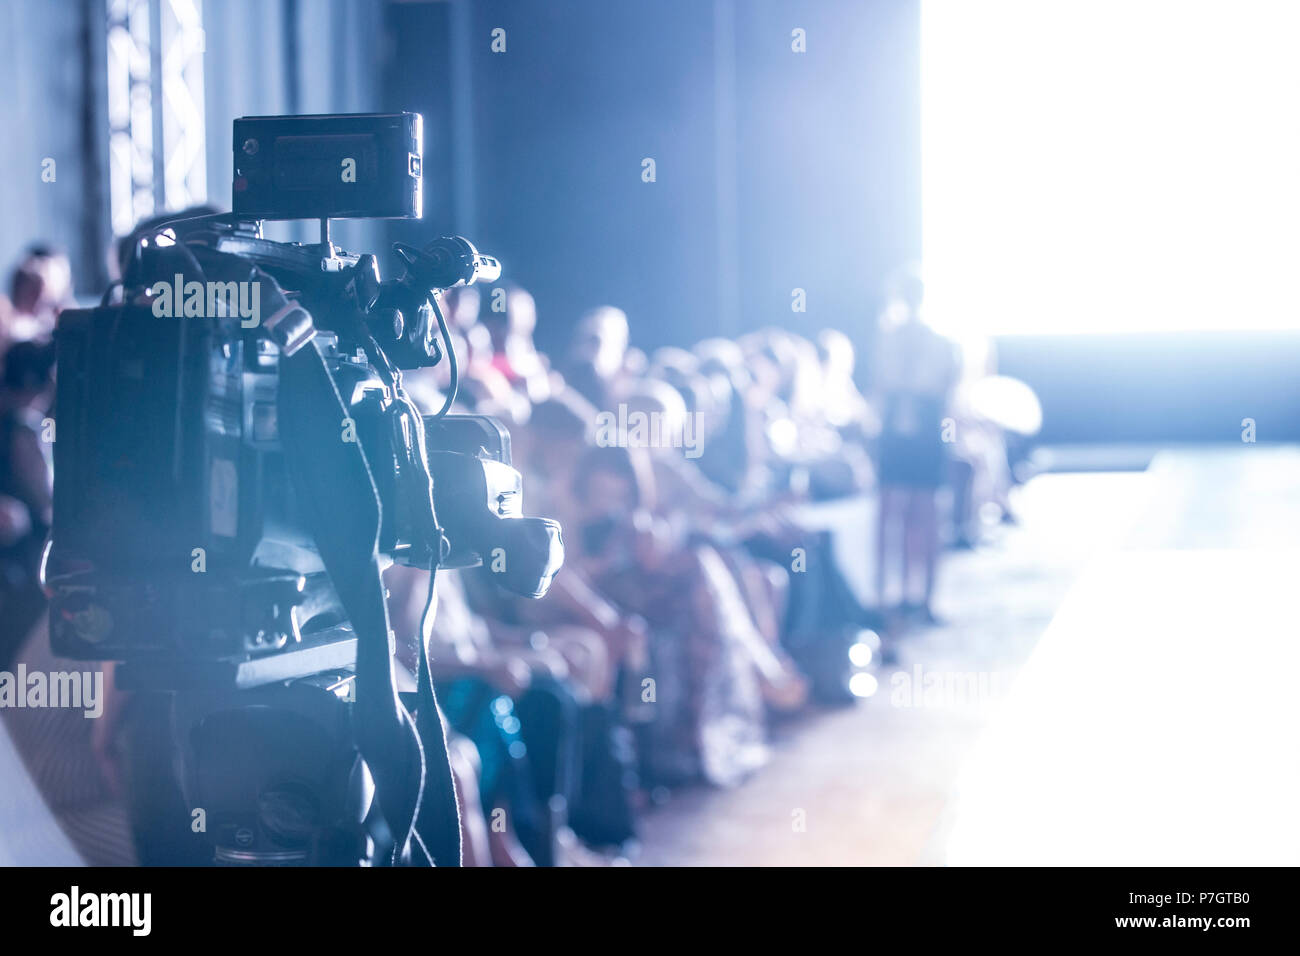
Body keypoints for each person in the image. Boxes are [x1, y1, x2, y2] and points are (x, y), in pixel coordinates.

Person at [871, 265, 961, 625]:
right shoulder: (886, 340)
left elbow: (945, 392)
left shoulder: (941, 343)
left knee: (925, 515)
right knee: (890, 515)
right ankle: (885, 596)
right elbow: (881, 386)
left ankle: (924, 597)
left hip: (925, 433)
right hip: (894, 434)